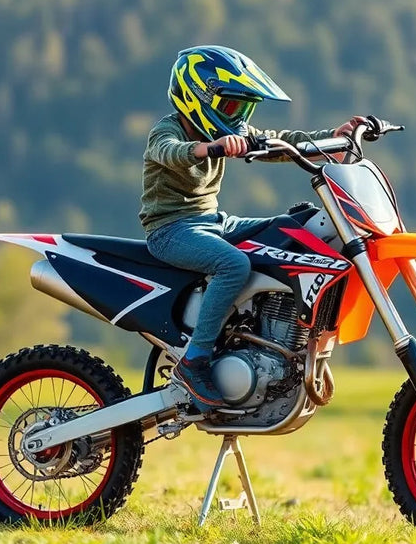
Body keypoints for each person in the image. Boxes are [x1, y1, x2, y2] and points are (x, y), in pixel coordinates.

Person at [140, 45, 364, 410]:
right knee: (234, 265)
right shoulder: (167, 130)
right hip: (171, 230)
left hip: (213, 221)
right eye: (232, 106)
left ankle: (268, 339)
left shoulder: (227, 130)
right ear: (199, 95)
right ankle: (194, 360)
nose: (239, 118)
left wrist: (331, 137)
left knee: (293, 228)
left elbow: (280, 142)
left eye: (245, 109)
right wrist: (208, 147)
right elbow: (169, 152)